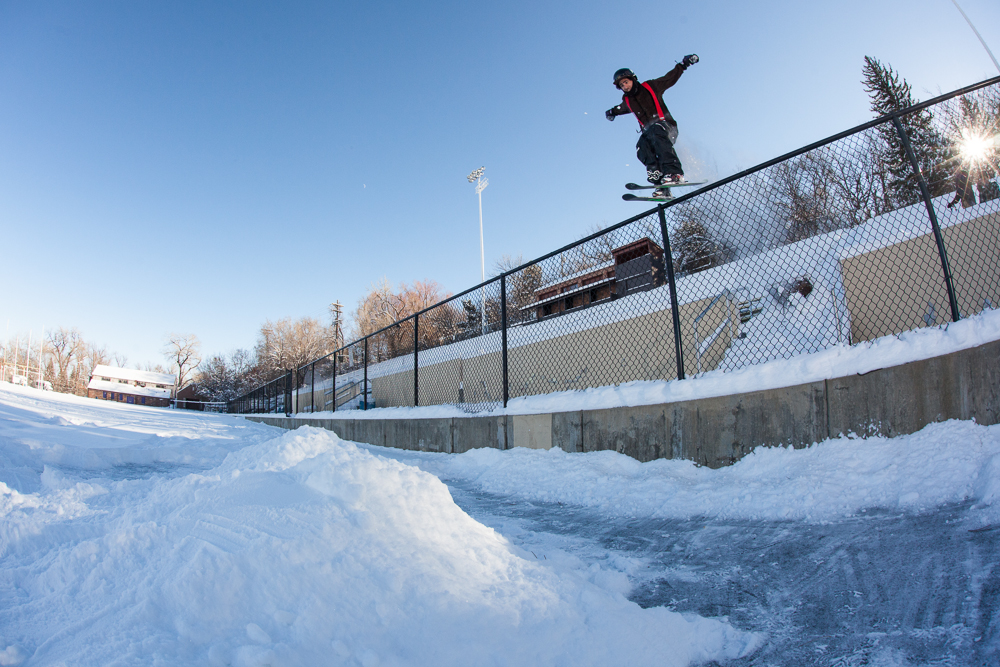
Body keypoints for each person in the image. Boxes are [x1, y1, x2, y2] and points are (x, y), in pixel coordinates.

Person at [606, 55, 699, 197]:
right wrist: (612, 112)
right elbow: (621, 108)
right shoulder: (627, 101)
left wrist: (683, 64)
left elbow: (669, 78)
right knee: (641, 146)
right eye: (621, 85)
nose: (625, 87)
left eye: (626, 82)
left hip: (667, 127)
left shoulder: (650, 87)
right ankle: (661, 185)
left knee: (656, 133)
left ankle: (675, 174)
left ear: (633, 79)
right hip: (650, 132)